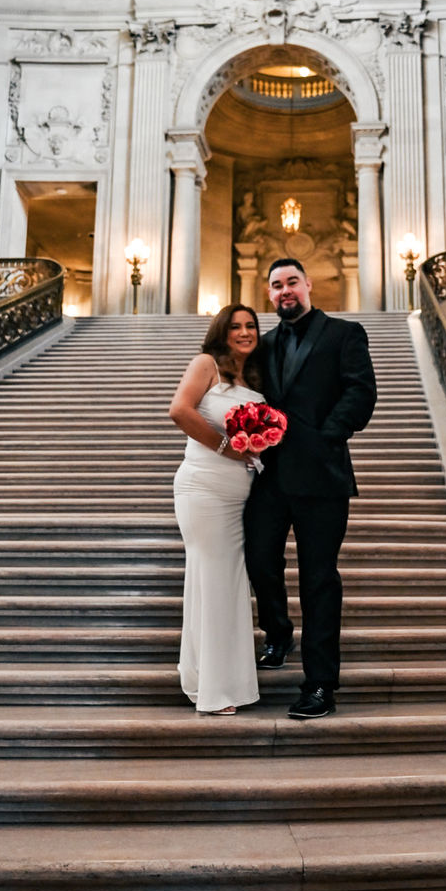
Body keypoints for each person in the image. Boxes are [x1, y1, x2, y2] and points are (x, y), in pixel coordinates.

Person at [243, 257, 377, 719]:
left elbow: (361, 392)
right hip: (269, 477)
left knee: (319, 579)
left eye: (292, 282)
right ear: (269, 293)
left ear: (308, 285)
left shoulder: (344, 334)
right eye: (276, 284)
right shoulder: (261, 345)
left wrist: (326, 436)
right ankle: (278, 633)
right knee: (259, 560)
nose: (285, 290)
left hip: (322, 476)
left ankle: (320, 684)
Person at [169, 304, 264, 715]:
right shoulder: (206, 364)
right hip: (204, 486)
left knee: (225, 583)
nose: (244, 332)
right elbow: (179, 410)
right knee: (214, 581)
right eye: (235, 326)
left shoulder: (256, 375)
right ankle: (217, 690)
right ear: (222, 332)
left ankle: (205, 677)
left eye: (251, 326)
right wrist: (229, 448)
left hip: (240, 492)